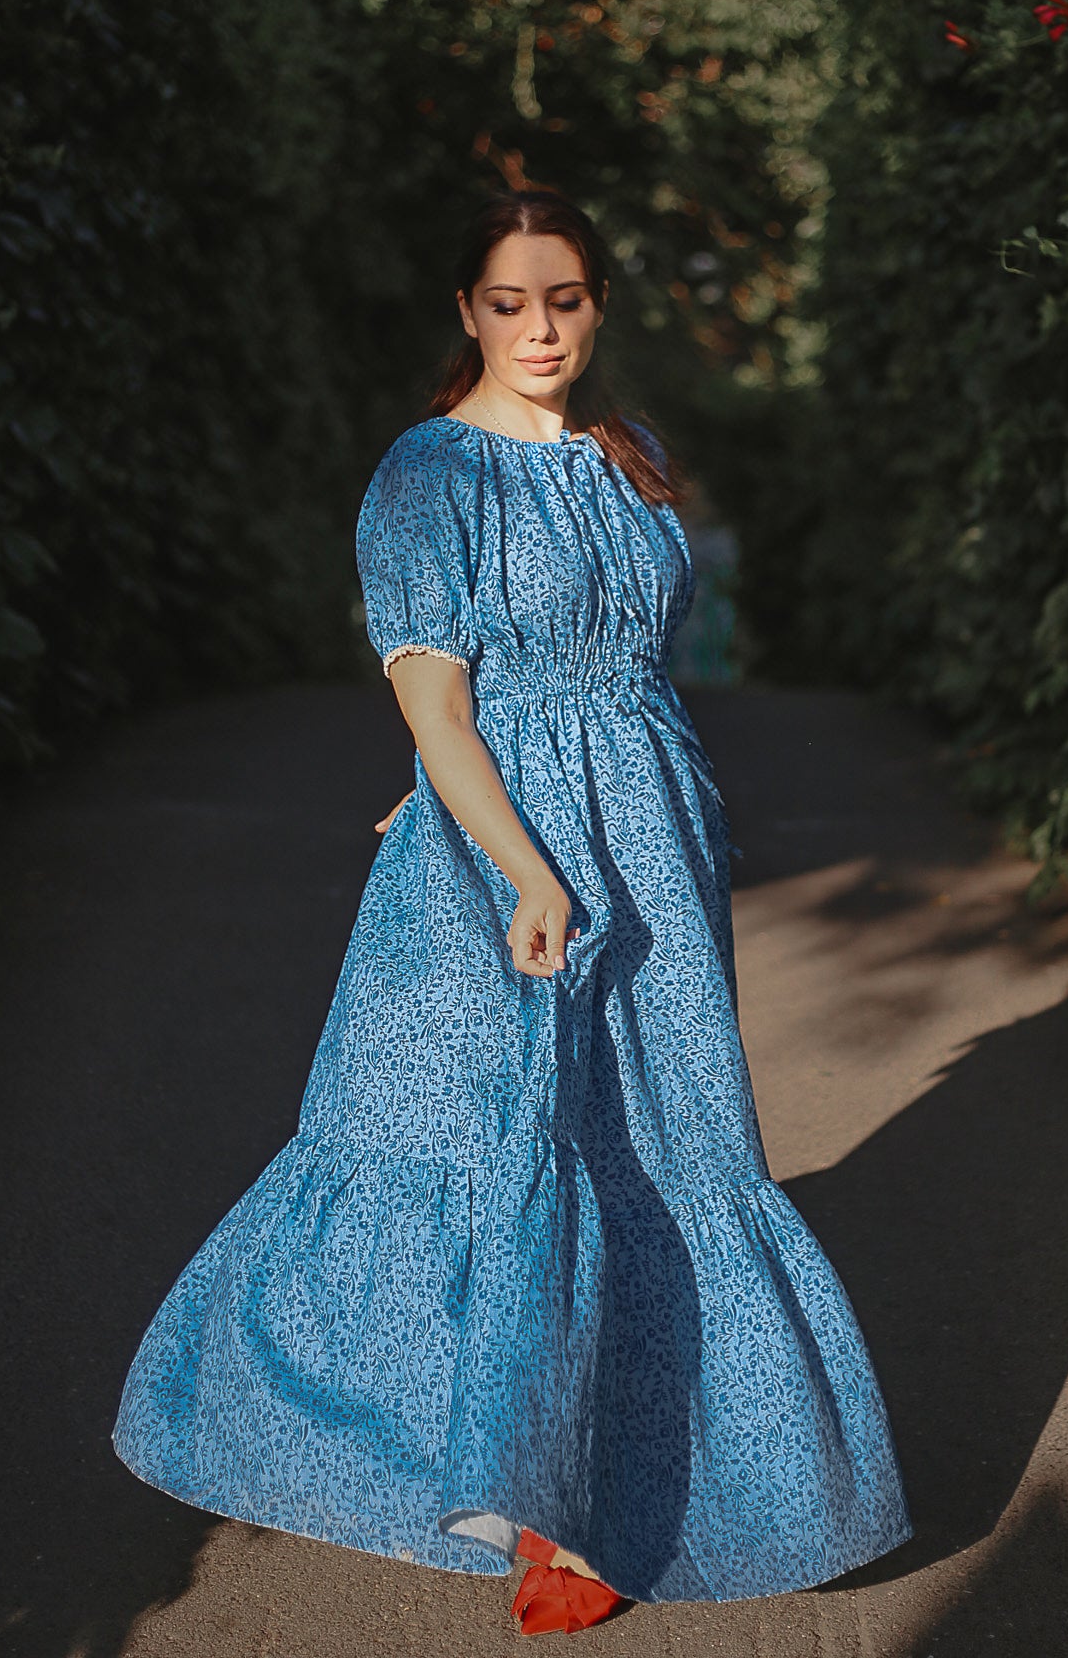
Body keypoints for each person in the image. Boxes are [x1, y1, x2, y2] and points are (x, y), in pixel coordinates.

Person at [112, 189, 912, 1635]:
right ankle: (534, 1513)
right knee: (487, 1140)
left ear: (598, 306)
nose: (539, 328)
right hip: (503, 864)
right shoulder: (426, 476)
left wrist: (594, 813)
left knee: (657, 1147)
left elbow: (616, 670)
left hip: (655, 846)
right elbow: (436, 695)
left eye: (566, 300)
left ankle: (614, 1482)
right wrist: (507, 845)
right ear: (466, 312)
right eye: (508, 303)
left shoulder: (630, 454)